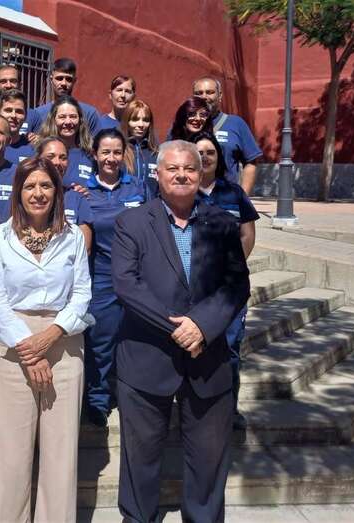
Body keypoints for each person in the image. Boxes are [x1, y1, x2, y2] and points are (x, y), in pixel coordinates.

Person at [111, 140, 250, 522]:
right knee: (140, 462)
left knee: (208, 463)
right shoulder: (131, 223)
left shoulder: (223, 224)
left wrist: (202, 326)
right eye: (172, 168)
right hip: (146, 359)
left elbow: (237, 283)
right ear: (157, 175)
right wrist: (179, 328)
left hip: (208, 361)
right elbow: (126, 284)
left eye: (189, 168)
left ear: (201, 174)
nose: (182, 175)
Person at [0, 157, 92, 523]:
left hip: (63, 339)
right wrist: (29, 350)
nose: (38, 193)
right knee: (10, 450)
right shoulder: (0, 237)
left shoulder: (72, 237)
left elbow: (82, 293)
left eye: (46, 185)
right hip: (11, 343)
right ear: (18, 192)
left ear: (57, 192)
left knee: (61, 449)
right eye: (30, 186)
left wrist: (51, 335)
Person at [191, 131, 260, 431]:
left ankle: (228, 410)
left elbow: (247, 235)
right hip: (194, 288)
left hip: (229, 288)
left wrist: (230, 271)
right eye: (199, 152)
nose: (205, 157)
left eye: (211, 152)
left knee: (230, 349)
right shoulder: (182, 192)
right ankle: (193, 410)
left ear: (219, 158)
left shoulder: (233, 193)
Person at [83, 129, 145, 427]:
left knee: (136, 339)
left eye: (117, 152)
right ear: (95, 155)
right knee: (100, 340)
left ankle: (133, 397)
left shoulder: (138, 188)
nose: (111, 158)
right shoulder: (84, 192)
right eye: (105, 152)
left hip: (135, 275)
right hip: (102, 276)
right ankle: (97, 400)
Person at [193, 76, 263, 192]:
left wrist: (242, 197)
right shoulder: (183, 124)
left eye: (210, 92)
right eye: (199, 93)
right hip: (190, 198)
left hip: (225, 197)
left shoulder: (236, 123)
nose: (204, 96)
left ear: (220, 96)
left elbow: (251, 162)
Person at [36, 136, 93, 251]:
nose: (57, 162)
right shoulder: (27, 196)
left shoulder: (77, 197)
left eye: (63, 158)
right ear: (38, 159)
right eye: (50, 157)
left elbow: (85, 249)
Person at [28, 57, 102, 135]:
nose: (64, 83)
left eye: (68, 79)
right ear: (51, 80)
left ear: (74, 81)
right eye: (59, 78)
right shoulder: (38, 114)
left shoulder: (89, 114)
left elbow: (98, 142)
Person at [38, 95, 94, 188]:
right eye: (62, 117)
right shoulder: (39, 150)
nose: (68, 122)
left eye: (73, 117)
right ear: (53, 120)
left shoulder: (90, 155)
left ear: (80, 120)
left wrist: (88, 192)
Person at [121, 99, 160, 199]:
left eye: (146, 120)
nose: (141, 125)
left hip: (150, 206)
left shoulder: (156, 153)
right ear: (127, 121)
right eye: (135, 120)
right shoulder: (119, 151)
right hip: (123, 207)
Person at [0, 89, 35, 164]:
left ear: (25, 116)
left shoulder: (33, 149)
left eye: (19, 111)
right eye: (8, 110)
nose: (13, 115)